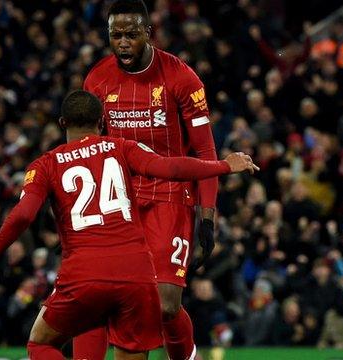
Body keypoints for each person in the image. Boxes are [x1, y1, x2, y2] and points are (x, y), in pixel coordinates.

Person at [0, 90, 258, 360]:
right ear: (102, 121)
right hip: (136, 274)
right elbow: (169, 167)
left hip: (84, 274)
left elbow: (24, 215)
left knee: (40, 343)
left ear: (63, 122)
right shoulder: (121, 147)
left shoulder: (45, 164)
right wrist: (224, 165)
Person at [80, 1, 219, 358]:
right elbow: (89, 151)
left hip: (170, 194)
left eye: (131, 34)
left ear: (148, 33)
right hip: (121, 199)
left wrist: (207, 218)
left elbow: (205, 154)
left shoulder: (181, 78)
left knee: (166, 305)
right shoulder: (97, 79)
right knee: (119, 299)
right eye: (116, 35)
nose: (123, 42)